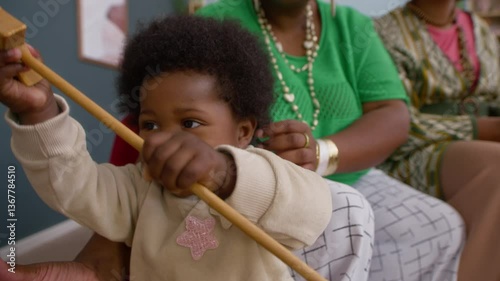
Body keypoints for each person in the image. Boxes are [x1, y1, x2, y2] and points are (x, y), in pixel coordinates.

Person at [89, 1, 465, 280]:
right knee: (342, 215)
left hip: (353, 174)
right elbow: (153, 115)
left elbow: (393, 113)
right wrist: (109, 233)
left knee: (441, 226)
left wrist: (323, 153)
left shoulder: (352, 27)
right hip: (253, 189)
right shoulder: (215, 20)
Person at [0, 15, 376, 281]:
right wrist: (39, 111)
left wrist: (222, 172)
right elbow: (72, 185)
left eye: (190, 123)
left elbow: (309, 210)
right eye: (150, 125)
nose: (164, 138)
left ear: (243, 131)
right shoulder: (140, 185)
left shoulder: (265, 175)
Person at [374, 1, 500, 280]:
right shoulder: (384, 31)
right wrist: (482, 129)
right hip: (413, 152)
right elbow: (398, 125)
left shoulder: (478, 28)